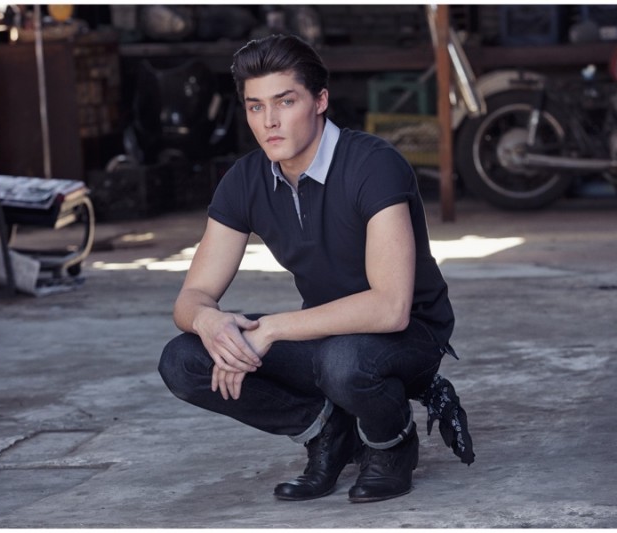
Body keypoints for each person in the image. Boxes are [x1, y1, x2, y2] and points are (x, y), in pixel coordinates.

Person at [159, 34, 466, 504]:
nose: (270, 122)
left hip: (409, 336)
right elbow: (192, 296)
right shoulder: (246, 178)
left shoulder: (372, 165)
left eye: (285, 102)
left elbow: (390, 309)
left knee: (345, 363)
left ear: (320, 100)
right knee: (186, 359)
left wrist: (272, 329)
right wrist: (209, 321)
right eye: (255, 106)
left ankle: (392, 444)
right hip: (327, 336)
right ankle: (326, 432)